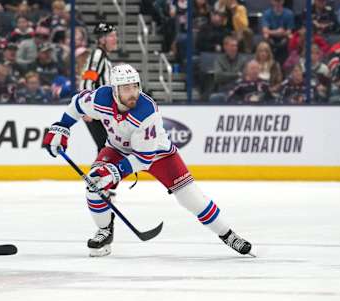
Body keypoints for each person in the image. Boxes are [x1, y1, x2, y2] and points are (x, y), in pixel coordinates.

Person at [42, 64, 254, 257]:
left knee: (192, 198)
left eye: (135, 87)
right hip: (117, 149)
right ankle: (105, 231)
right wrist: (62, 127)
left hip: (158, 154)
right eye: (126, 89)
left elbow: (144, 158)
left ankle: (228, 234)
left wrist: (115, 172)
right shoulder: (100, 98)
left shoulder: (146, 111)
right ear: (115, 90)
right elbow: (77, 105)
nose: (132, 93)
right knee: (94, 183)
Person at [80, 22, 118, 153]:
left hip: (101, 111)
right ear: (102, 39)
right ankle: (100, 173)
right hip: (95, 110)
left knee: (106, 148)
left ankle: (101, 173)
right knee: (106, 148)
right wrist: (87, 109)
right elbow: (87, 81)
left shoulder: (103, 56)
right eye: (112, 36)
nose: (115, 39)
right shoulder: (98, 54)